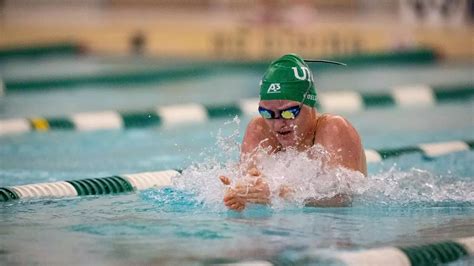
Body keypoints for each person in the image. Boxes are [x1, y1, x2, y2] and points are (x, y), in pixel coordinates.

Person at [219, 54, 367, 211]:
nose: (277, 124)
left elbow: (344, 198)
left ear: (309, 103)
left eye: (288, 113)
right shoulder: (260, 129)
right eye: (268, 113)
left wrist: (280, 193)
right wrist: (242, 195)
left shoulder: (333, 128)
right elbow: (253, 188)